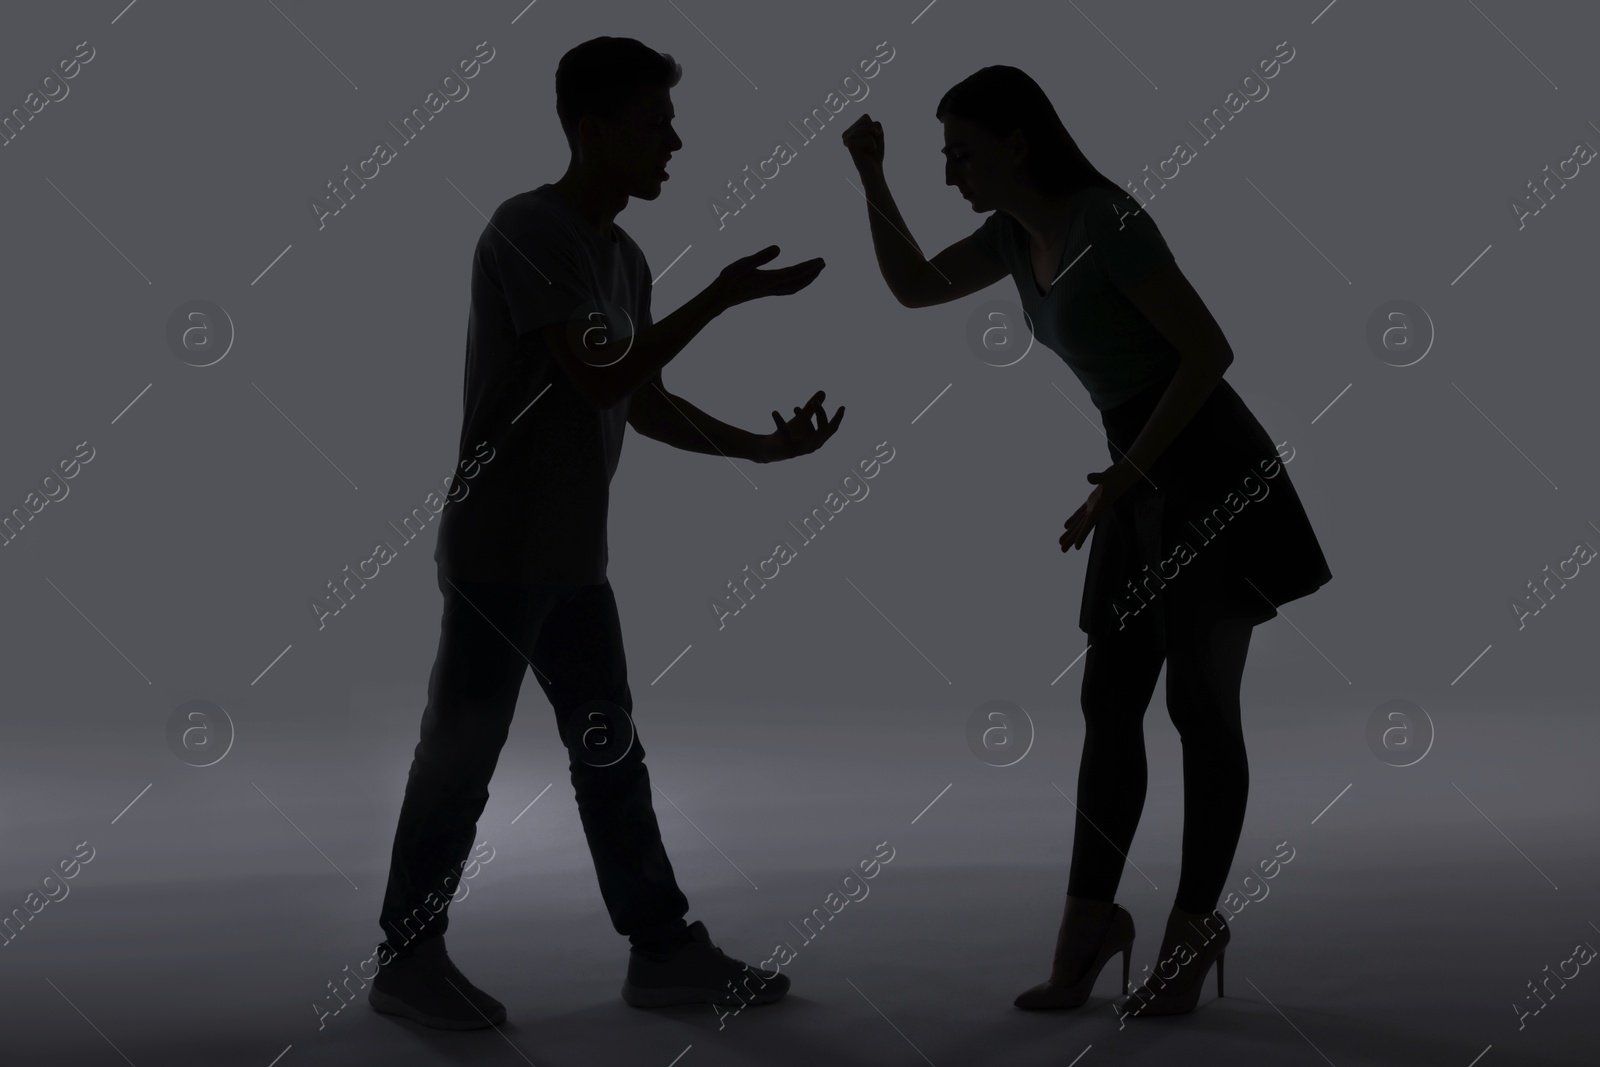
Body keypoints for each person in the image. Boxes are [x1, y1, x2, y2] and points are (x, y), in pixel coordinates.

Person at [369, 36, 844, 1031]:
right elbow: (596, 371)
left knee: (607, 752)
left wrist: (761, 449)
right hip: (500, 555)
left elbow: (643, 397)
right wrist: (722, 294)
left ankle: (663, 951)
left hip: (575, 563)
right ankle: (407, 960)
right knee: (462, 750)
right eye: (653, 123)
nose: (675, 140)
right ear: (591, 133)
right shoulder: (530, 229)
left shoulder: (624, 256)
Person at [841, 65, 1331, 1019]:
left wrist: (1132, 476)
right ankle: (1090, 925)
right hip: (1134, 474)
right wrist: (872, 177)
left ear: (1020, 142)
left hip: (1209, 470)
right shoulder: (1010, 238)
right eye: (944, 156)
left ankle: (1195, 929)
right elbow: (910, 287)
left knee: (1198, 704)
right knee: (1110, 699)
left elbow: (1208, 353)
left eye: (963, 153)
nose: (953, 173)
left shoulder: (1111, 223)